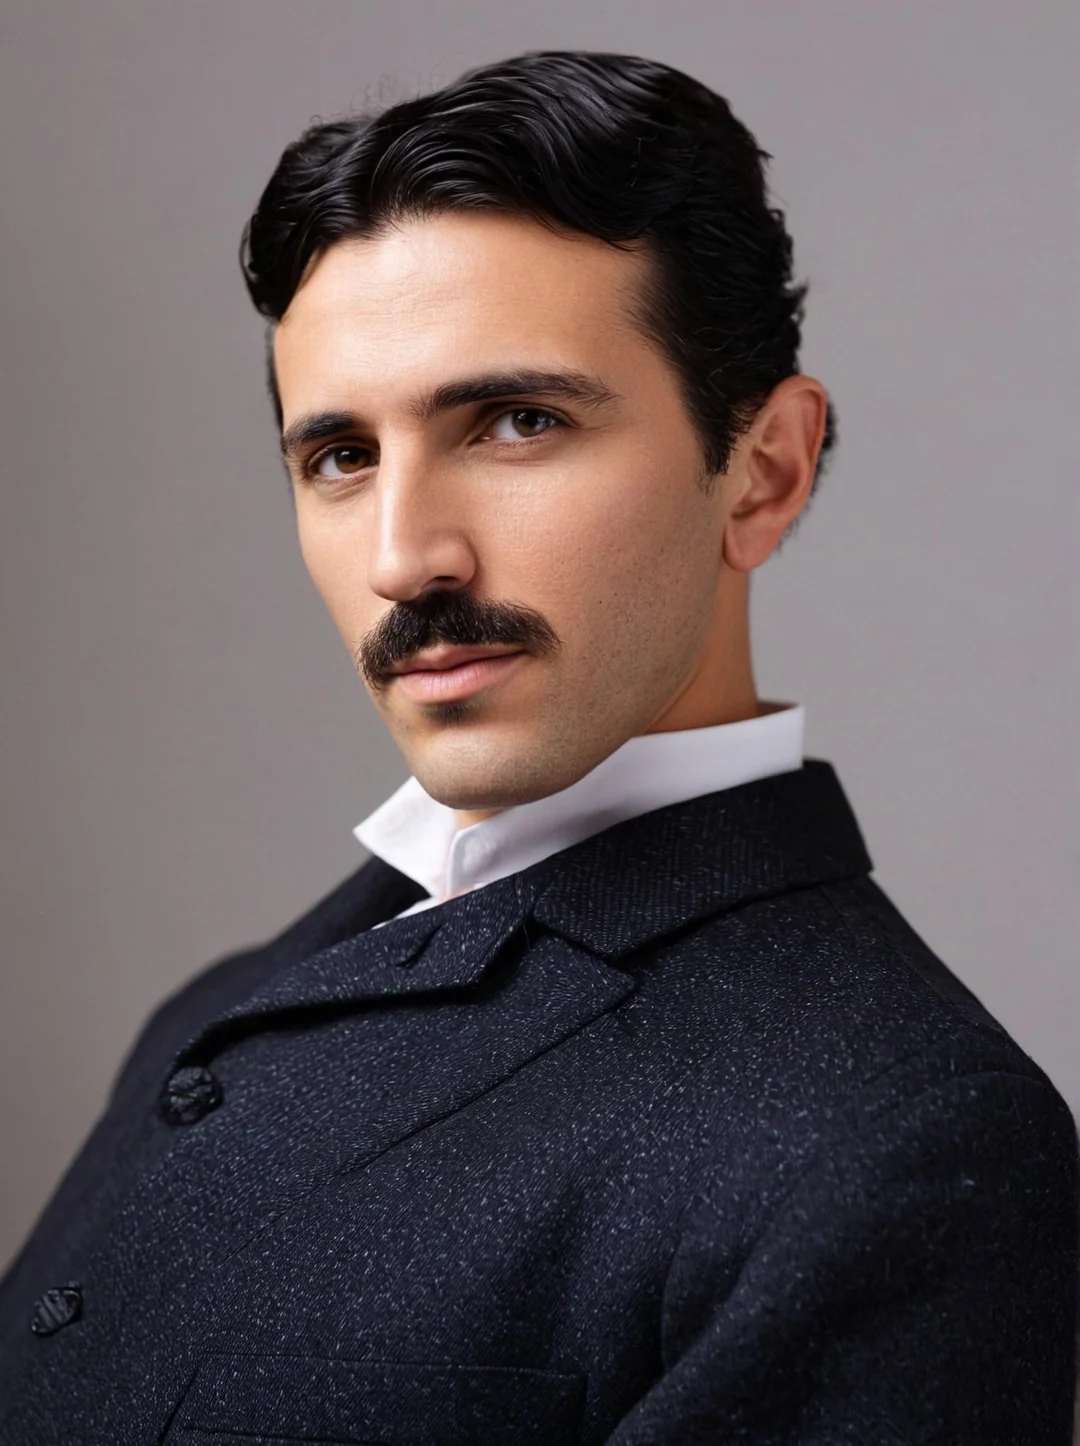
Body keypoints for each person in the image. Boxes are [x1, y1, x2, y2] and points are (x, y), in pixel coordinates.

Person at [1, 48, 1075, 1445]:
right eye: (340, 457)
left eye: (517, 421)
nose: (405, 556)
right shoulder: (228, 1002)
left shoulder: (902, 1139)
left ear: (765, 470)